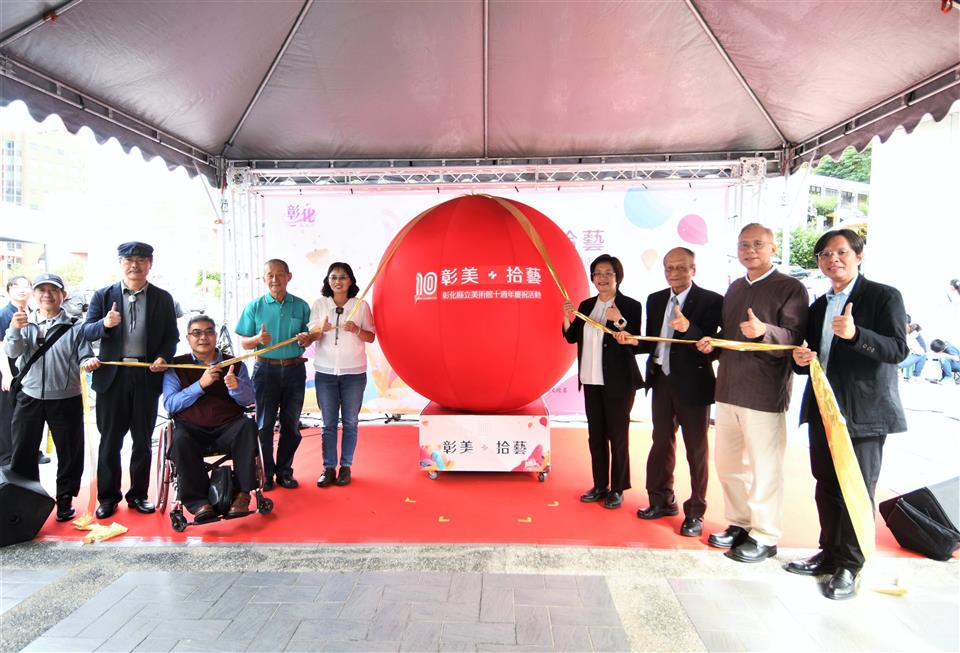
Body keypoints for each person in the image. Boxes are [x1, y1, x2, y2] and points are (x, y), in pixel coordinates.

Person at [786, 229, 907, 600]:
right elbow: (811, 357)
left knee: (856, 487)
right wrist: (800, 359)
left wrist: (856, 335)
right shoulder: (818, 306)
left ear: (859, 255)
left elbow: (898, 349)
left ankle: (850, 566)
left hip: (864, 410)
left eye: (840, 252)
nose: (832, 259)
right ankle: (828, 552)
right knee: (826, 482)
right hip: (823, 407)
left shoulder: (883, 296)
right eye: (825, 254)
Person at [696, 223, 808, 563]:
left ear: (773, 248)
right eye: (744, 244)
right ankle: (740, 523)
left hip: (764, 392)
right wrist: (713, 344)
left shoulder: (791, 288)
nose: (750, 250)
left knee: (764, 466)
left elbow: (794, 337)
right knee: (728, 463)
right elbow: (729, 334)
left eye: (758, 244)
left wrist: (764, 331)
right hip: (728, 387)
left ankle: (765, 535)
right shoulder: (734, 288)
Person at [82, 242, 179, 519]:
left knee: (142, 439)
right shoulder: (103, 296)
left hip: (146, 376)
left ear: (150, 264)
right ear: (120, 263)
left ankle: (138, 495)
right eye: (128, 260)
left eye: (141, 259)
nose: (134, 265)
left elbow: (171, 336)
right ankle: (107, 498)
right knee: (110, 440)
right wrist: (105, 324)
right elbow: (86, 331)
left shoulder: (162, 298)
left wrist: (163, 357)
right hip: (112, 377)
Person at [635, 248, 723, 537]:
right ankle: (661, 500)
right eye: (668, 268)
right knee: (661, 442)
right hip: (661, 380)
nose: (673, 273)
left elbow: (715, 346)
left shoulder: (712, 300)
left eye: (681, 267)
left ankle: (695, 512)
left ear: (693, 269)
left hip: (693, 383)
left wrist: (689, 328)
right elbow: (651, 341)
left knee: (696, 449)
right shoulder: (655, 299)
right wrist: (629, 337)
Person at [4, 273, 96, 522]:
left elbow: (85, 355)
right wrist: (14, 329)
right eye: (41, 290)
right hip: (29, 396)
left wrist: (88, 362)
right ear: (34, 295)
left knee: (70, 453)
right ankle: (25, 502)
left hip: (66, 398)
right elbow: (12, 352)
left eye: (53, 290)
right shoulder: (24, 322)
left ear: (63, 295)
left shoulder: (76, 326)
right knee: (23, 452)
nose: (47, 295)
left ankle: (65, 500)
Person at [562, 254, 643, 510]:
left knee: (617, 436)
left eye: (608, 273)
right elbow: (572, 337)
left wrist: (619, 320)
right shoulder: (586, 305)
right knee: (595, 436)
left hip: (619, 382)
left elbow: (636, 341)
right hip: (591, 380)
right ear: (593, 277)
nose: (603, 278)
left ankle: (617, 488)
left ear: (618, 277)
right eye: (598, 273)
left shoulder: (631, 305)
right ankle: (599, 485)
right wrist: (567, 317)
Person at [161, 315, 259, 522]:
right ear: (188, 338)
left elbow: (249, 400)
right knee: (179, 439)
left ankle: (242, 494)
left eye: (208, 332)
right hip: (192, 428)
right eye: (196, 333)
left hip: (228, 426)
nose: (203, 337)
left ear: (216, 335)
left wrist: (236, 387)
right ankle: (199, 503)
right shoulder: (176, 365)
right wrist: (200, 385)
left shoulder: (234, 364)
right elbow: (170, 404)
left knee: (247, 426)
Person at [235, 259, 312, 490]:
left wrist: (307, 339)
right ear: (264, 278)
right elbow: (244, 343)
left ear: (289, 276)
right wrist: (258, 339)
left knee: (291, 424)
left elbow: (310, 336)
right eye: (270, 275)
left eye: (280, 274)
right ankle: (266, 473)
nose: (275, 279)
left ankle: (284, 472)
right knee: (264, 424)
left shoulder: (301, 306)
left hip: (294, 369)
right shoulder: (255, 306)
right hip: (265, 370)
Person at [307, 263, 376, 488]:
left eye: (343, 277)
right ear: (328, 281)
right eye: (333, 277)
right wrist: (320, 329)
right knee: (328, 423)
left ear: (351, 281)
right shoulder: (320, 304)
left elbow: (371, 337)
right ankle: (328, 468)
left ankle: (346, 466)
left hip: (353, 373)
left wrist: (356, 329)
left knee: (350, 422)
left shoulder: (360, 306)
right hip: (325, 372)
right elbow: (311, 336)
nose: (338, 281)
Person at [0, 275, 50, 468]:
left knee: (29, 413)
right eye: (16, 286)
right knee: (8, 414)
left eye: (25, 286)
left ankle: (32, 451)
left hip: (29, 371)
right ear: (8, 291)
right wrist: (6, 374)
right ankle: (7, 455)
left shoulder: (34, 312)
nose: (21, 290)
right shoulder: (4, 314)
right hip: (10, 370)